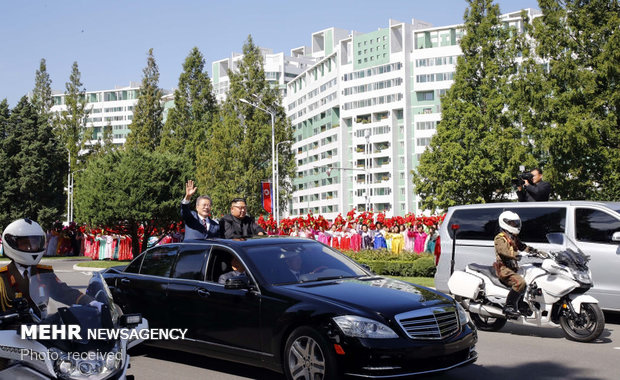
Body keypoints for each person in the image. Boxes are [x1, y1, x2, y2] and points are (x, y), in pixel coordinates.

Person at [0, 218, 99, 314]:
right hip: (9, 329)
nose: (30, 247)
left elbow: (64, 292)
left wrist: (91, 302)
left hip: (40, 327)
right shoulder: (2, 276)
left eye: (34, 243)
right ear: (11, 244)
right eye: (24, 244)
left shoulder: (44, 273)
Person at [493, 211, 539, 318]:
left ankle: (520, 304)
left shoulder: (513, 237)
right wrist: (517, 255)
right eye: (512, 223)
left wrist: (535, 251)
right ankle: (509, 307)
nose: (515, 225)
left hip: (513, 268)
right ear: (505, 223)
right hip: (503, 269)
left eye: (515, 223)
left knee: (530, 278)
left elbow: (522, 246)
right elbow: (503, 251)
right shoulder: (500, 238)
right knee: (520, 283)